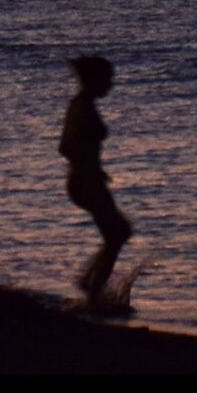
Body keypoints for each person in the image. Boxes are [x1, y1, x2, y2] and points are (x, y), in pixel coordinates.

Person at [60, 54, 134, 307]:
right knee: (117, 234)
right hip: (85, 182)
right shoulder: (81, 107)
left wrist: (94, 167)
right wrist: (87, 167)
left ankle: (90, 281)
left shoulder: (83, 105)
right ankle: (93, 291)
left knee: (118, 233)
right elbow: (66, 146)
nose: (111, 85)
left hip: (89, 180)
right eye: (107, 79)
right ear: (93, 80)